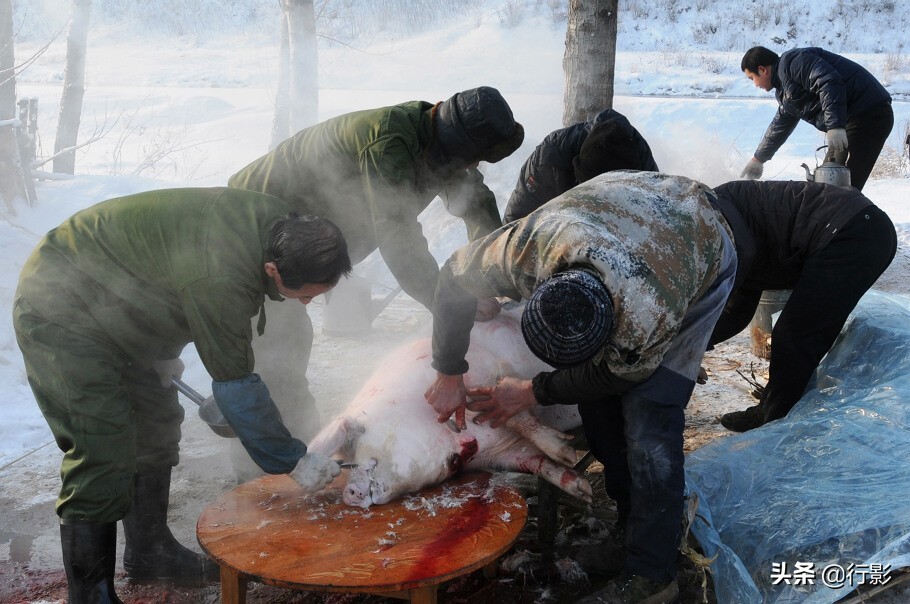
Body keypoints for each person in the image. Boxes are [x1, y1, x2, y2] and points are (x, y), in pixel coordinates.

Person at [12, 187, 353, 603]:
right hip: (63, 306)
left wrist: (161, 350)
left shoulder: (282, 229)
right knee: (102, 445)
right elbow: (235, 384)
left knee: (156, 422)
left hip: (118, 308)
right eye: (306, 294)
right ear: (272, 269)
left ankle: (149, 550)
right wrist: (294, 459)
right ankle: (89, 594)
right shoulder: (223, 275)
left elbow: (165, 274)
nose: (307, 303)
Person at [424, 171, 737, 604]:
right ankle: (629, 528)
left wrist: (532, 391)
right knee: (599, 412)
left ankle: (653, 574)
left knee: (650, 426)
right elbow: (452, 276)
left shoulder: (647, 318)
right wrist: (448, 370)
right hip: (624, 204)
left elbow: (617, 375)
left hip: (697, 240)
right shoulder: (523, 249)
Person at [228, 86, 524, 478]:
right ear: (453, 143)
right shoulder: (390, 145)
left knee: (288, 344)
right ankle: (265, 472)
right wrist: (451, 302)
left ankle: (297, 451)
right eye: (470, 158)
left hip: (306, 239)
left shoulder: (439, 142)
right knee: (275, 348)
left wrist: (491, 276)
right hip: (255, 229)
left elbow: (477, 203)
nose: (471, 166)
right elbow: (399, 238)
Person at [704, 180, 896, 432]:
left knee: (795, 336)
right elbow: (738, 310)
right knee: (796, 336)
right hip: (855, 229)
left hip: (852, 233)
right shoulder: (723, 221)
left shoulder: (714, 215)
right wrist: (696, 344)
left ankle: (775, 427)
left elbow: (740, 263)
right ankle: (771, 412)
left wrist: (685, 347)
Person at [739, 45, 893, 191]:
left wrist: (835, 126)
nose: (755, 84)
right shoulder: (784, 90)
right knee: (828, 184)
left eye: (752, 78)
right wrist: (758, 159)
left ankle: (849, 209)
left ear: (762, 70)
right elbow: (780, 125)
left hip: (868, 113)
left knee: (842, 188)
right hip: (850, 121)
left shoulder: (794, 62)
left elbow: (828, 82)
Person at [502, 107, 658, 223]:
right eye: (589, 190)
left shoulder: (645, 175)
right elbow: (515, 220)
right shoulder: (549, 159)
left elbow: (655, 226)